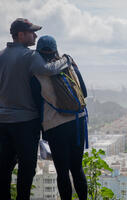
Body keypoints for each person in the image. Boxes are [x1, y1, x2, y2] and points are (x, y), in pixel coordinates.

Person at [0, 18, 70, 200]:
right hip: (25, 123)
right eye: (32, 32)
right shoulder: (30, 56)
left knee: (4, 167)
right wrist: (66, 60)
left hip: (3, 122)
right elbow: (48, 69)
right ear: (21, 35)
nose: (35, 36)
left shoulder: (1, 56)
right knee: (27, 167)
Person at [30, 35, 88, 200]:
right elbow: (83, 93)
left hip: (55, 126)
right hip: (78, 122)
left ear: (39, 53)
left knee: (62, 172)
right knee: (77, 169)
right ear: (56, 50)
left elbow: (36, 105)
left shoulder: (36, 75)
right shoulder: (71, 67)